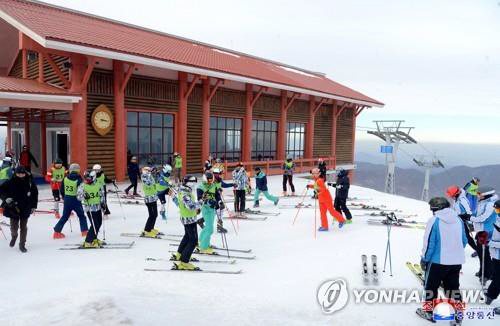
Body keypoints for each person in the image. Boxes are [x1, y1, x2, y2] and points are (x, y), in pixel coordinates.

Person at [416, 197, 466, 323]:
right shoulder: (459, 220)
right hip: (456, 262)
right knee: (453, 288)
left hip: (437, 262)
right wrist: (454, 252)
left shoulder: (434, 221)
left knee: (431, 288)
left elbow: (429, 244)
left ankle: (428, 312)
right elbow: (464, 241)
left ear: (435, 209)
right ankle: (458, 313)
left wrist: (424, 259)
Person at [0, 166, 38, 252]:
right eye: (18, 173)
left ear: (25, 173)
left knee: (23, 227)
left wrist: (33, 206)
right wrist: (5, 198)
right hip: (13, 208)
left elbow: (35, 194)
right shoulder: (10, 182)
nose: (20, 175)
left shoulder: (30, 182)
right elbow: (1, 190)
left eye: (22, 173)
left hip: (25, 207)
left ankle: (22, 244)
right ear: (15, 173)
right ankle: (14, 236)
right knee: (14, 227)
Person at [171, 175, 202, 270]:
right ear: (189, 183)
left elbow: (178, 203)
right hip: (189, 219)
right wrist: (201, 202)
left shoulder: (183, 191)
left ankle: (180, 254)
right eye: (194, 182)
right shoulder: (185, 193)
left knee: (187, 237)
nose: (194, 184)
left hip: (187, 217)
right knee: (193, 241)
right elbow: (190, 206)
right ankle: (184, 262)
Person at [53, 163, 89, 239]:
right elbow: (82, 190)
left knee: (65, 216)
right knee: (81, 216)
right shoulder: (79, 180)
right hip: (75, 200)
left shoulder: (65, 178)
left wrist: (63, 197)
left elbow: (62, 190)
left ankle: (56, 232)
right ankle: (84, 231)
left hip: (67, 199)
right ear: (78, 170)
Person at [470, 186, 497, 284]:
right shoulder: (482, 203)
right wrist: (470, 217)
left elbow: (483, 218)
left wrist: (470, 218)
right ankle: (484, 271)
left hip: (487, 233)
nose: (478, 195)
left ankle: (486, 275)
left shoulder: (490, 204)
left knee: (485, 254)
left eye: (479, 194)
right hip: (481, 232)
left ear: (486, 194)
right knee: (481, 254)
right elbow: (476, 214)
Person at [77, 170, 106, 248]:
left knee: (99, 223)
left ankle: (94, 238)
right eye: (86, 178)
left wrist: (103, 203)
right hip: (89, 208)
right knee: (94, 224)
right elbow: (78, 197)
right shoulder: (83, 186)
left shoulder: (98, 184)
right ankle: (88, 241)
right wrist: (84, 196)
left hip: (98, 207)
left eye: (89, 179)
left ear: (94, 178)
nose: (87, 180)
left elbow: (102, 194)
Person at [446, 185, 477, 253]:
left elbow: (468, 212)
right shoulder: (457, 199)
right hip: (458, 221)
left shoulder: (462, 201)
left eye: (452, 196)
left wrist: (465, 217)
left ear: (456, 194)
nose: (451, 197)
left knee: (467, 238)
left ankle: (478, 250)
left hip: (464, 222)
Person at [197, 171, 221, 254]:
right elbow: (200, 199)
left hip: (212, 209)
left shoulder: (213, 185)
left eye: (211, 180)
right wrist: (210, 202)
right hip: (206, 209)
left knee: (207, 227)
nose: (210, 182)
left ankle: (201, 241)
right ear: (205, 179)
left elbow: (217, 195)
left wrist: (220, 202)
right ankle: (204, 247)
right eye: (209, 180)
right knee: (210, 229)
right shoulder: (201, 187)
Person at [484, 199, 500, 306]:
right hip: (496, 255)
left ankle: (490, 295)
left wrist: (490, 243)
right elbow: (495, 233)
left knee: (498, 278)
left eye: (498, 209)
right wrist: (486, 234)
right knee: (496, 276)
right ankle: (490, 294)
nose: (496, 211)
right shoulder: (498, 218)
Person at [140, 166, 161, 238]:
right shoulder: (144, 177)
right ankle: (147, 230)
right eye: (148, 170)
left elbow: (155, 183)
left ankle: (151, 228)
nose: (150, 172)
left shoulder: (149, 176)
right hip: (149, 199)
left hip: (153, 197)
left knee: (155, 214)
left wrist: (156, 175)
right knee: (151, 215)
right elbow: (148, 183)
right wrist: (150, 176)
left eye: (150, 170)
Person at [213, 167, 233, 233]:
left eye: (217, 173)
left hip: (218, 197)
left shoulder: (219, 179)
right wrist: (216, 190)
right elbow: (209, 189)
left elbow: (224, 185)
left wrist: (232, 184)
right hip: (212, 198)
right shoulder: (211, 180)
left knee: (220, 211)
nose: (216, 175)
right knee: (215, 212)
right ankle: (219, 227)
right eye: (215, 173)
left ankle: (219, 226)